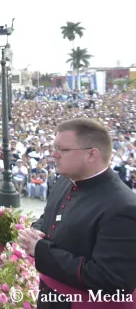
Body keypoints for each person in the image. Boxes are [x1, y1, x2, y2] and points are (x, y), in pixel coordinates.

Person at [17, 118, 136, 308]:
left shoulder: (124, 207)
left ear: (91, 155)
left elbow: (111, 280)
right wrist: (36, 231)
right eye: (53, 148)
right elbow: (50, 218)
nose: (53, 155)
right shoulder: (65, 180)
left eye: (62, 150)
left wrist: (40, 249)